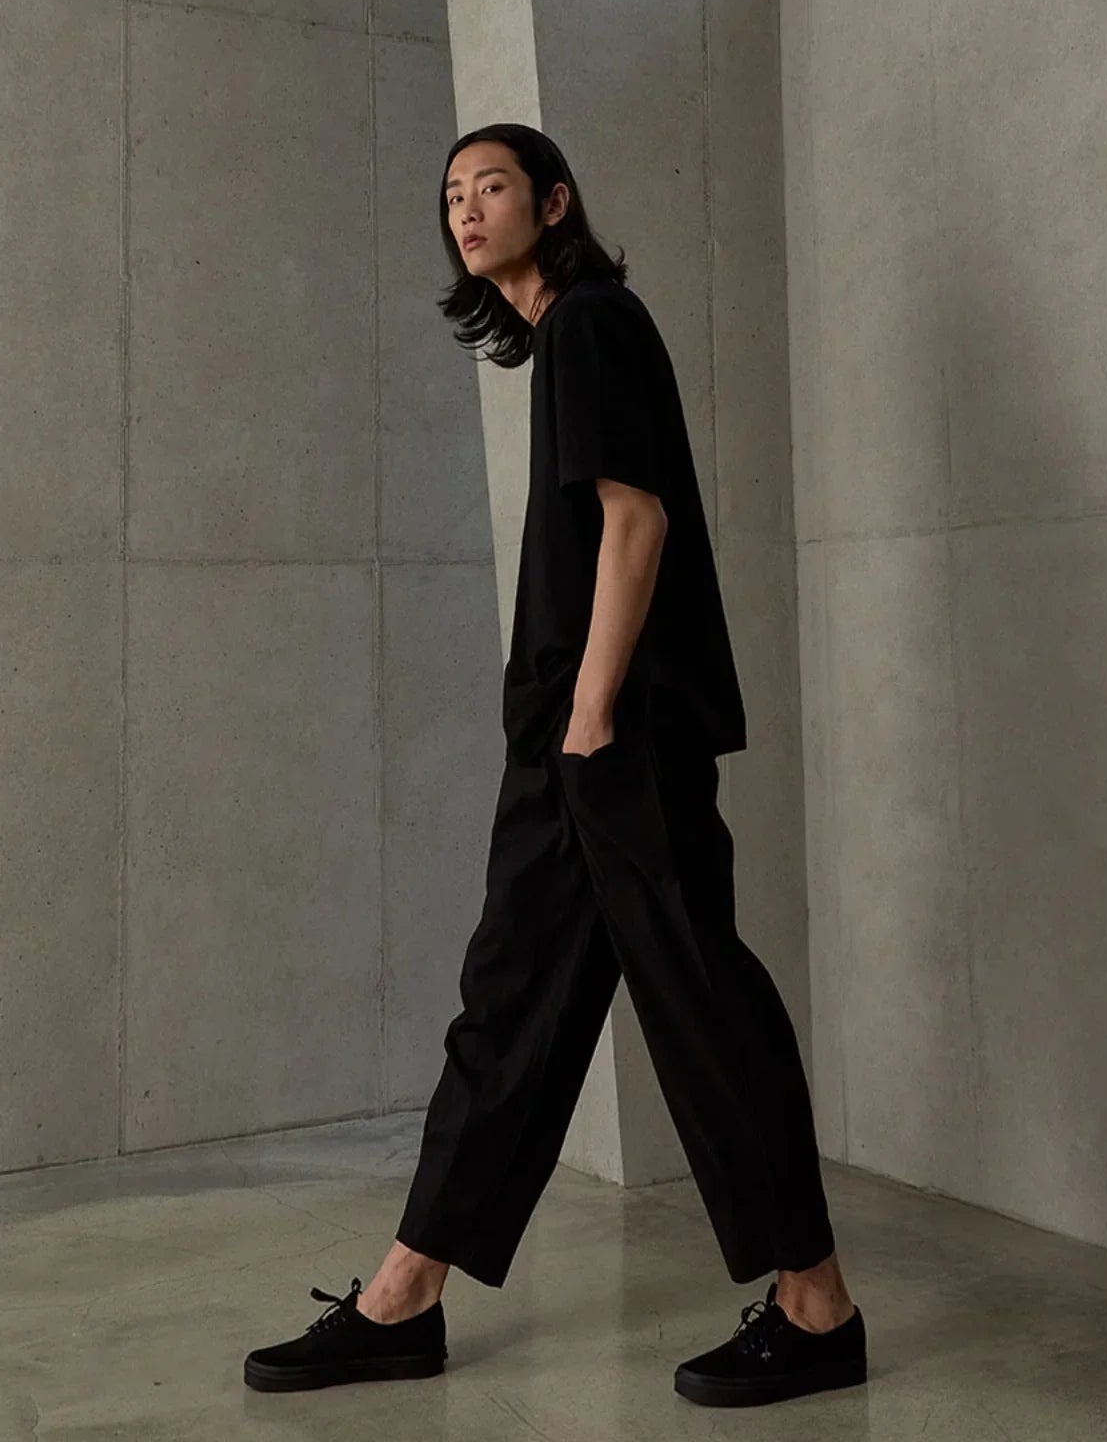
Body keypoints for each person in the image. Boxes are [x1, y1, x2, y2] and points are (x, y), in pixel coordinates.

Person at [243, 122, 867, 1407]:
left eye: (493, 187)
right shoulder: (568, 342)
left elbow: (637, 521)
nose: (468, 210)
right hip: (570, 735)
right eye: (452, 194)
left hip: (613, 734)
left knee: (697, 996)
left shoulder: (594, 323)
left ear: (556, 200)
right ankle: (401, 1296)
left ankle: (819, 1309)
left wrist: (589, 714)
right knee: (513, 1002)